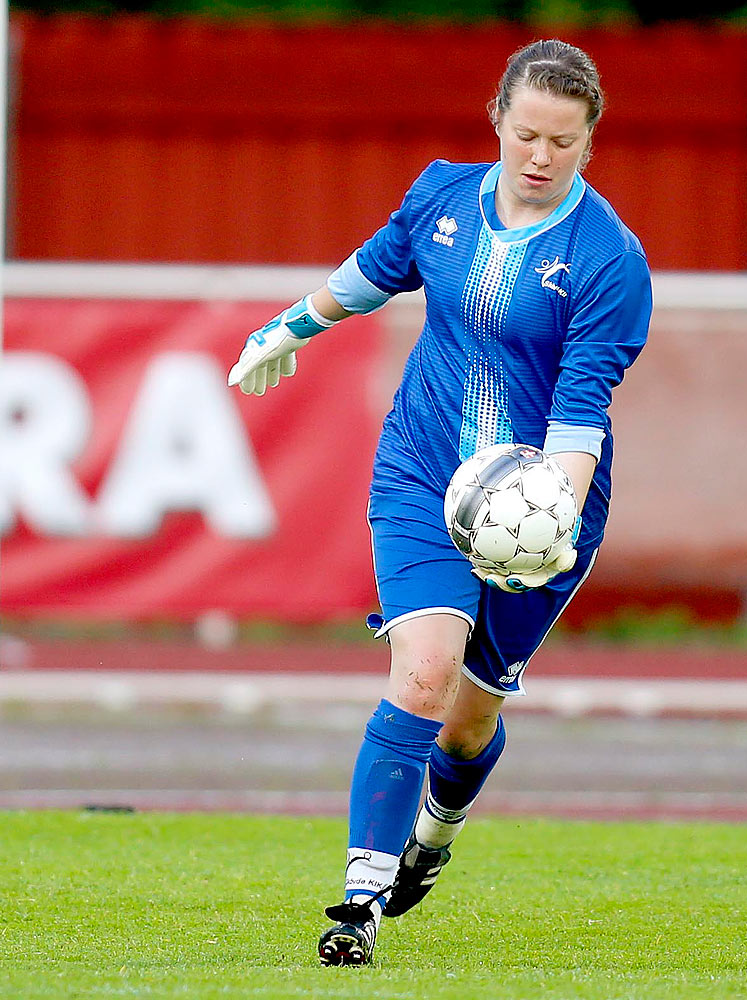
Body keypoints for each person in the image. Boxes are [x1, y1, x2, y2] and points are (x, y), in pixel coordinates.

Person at [228, 38, 652, 967]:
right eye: (527, 135)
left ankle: (437, 830)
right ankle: (359, 902)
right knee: (420, 674)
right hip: (422, 470)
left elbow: (583, 408)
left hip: (541, 503)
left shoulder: (609, 259)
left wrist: (555, 514)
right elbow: (374, 270)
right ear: (497, 118)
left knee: (467, 718)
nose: (540, 158)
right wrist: (287, 325)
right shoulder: (442, 196)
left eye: (564, 143)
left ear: (590, 142)